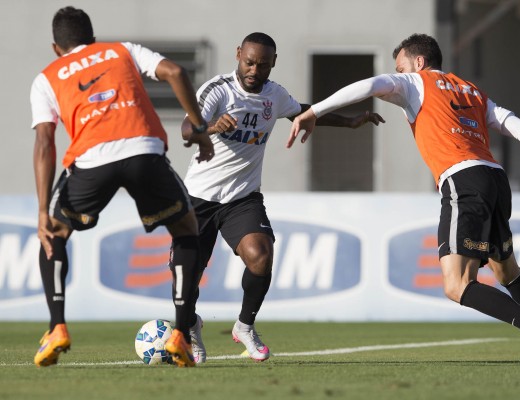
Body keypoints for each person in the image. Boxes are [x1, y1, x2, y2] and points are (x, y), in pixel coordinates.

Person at [288, 33, 520, 365]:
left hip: (463, 179)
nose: (397, 74)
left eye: (400, 66)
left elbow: (371, 85)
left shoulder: (415, 83)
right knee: (508, 272)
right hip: (495, 179)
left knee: (457, 285)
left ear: (418, 62)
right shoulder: (473, 92)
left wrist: (314, 110)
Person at [176, 32, 384, 363]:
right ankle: (190, 326)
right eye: (248, 62)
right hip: (199, 199)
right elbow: (187, 130)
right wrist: (212, 126)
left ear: (273, 62)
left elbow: (304, 112)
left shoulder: (275, 96)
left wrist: (350, 122)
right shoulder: (217, 90)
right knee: (184, 280)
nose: (254, 70)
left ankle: (244, 326)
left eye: (262, 64)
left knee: (260, 256)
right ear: (238, 54)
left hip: (241, 198)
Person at [30, 6, 214, 367]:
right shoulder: (122, 49)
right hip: (143, 151)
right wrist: (200, 128)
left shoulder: (46, 77)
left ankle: (57, 328)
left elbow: (44, 141)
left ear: (56, 48)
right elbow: (175, 71)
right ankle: (180, 334)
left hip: (90, 160)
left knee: (53, 233)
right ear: (93, 39)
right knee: (185, 228)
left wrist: (41, 211)